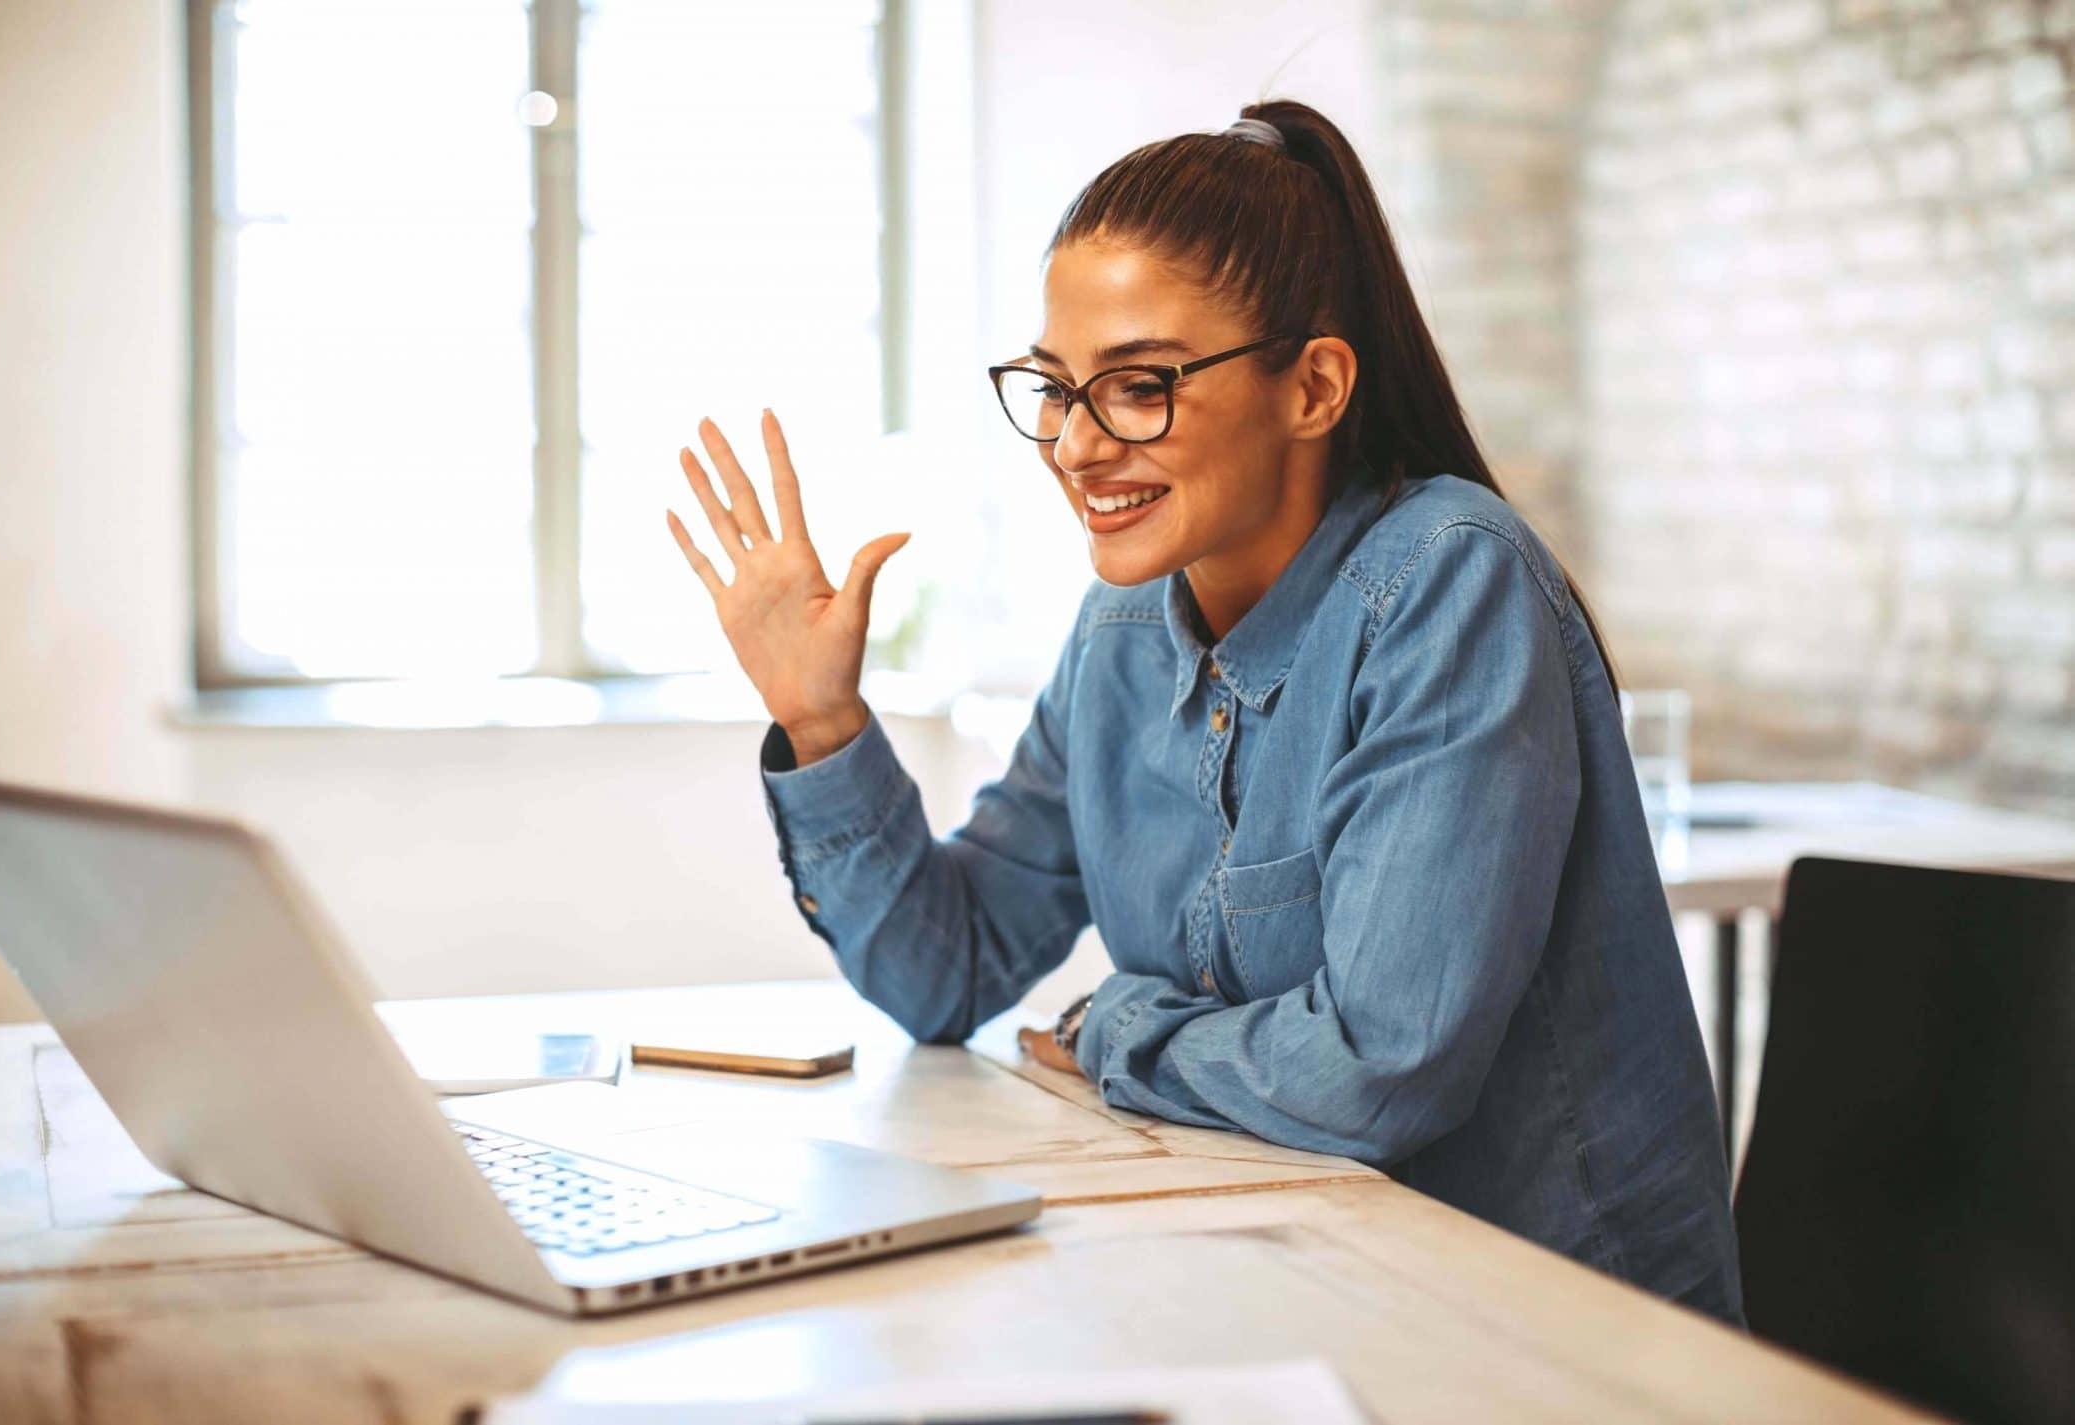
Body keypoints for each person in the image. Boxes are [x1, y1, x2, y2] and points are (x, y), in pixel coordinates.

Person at [661, 99, 1745, 1327]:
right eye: (1056, 390)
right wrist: (822, 724)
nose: (1075, 445)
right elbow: (945, 971)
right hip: (1286, 1280)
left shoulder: (1448, 580)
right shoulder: (1122, 632)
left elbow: (1380, 1074)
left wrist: (1123, 1024)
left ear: (1315, 387)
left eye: (1137, 387)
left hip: (1546, 1334)